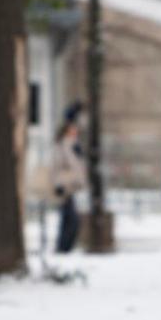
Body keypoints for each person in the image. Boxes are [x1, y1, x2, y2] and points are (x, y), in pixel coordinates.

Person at [51, 104, 86, 253]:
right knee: (71, 220)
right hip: (64, 186)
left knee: (68, 219)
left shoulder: (73, 144)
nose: (76, 130)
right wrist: (58, 185)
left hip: (71, 186)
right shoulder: (64, 143)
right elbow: (58, 165)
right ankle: (63, 249)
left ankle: (63, 248)